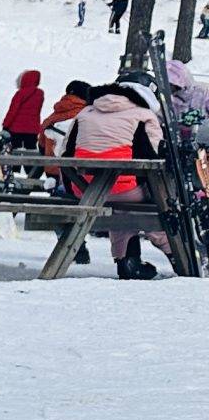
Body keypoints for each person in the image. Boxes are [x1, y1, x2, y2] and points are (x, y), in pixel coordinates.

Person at [63, 79, 171, 278]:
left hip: (84, 188)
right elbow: (154, 154)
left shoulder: (84, 114)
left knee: (119, 205)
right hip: (126, 190)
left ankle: (126, 261)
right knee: (160, 196)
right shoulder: (143, 115)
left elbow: (66, 152)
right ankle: (174, 251)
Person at [2, 69, 46, 151]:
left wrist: (5, 125)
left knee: (15, 152)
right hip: (33, 129)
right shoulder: (40, 94)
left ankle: (15, 164)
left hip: (16, 128)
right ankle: (29, 164)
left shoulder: (20, 93)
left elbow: (12, 111)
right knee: (31, 151)